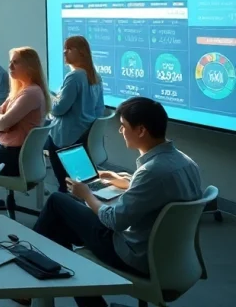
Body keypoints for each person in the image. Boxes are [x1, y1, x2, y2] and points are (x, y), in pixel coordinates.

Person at [29, 97, 201, 307]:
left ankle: (30, 278)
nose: (120, 132)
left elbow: (113, 220)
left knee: (57, 201)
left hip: (135, 255)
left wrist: (86, 195)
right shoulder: (186, 162)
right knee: (59, 231)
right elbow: (163, 195)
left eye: (123, 126)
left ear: (141, 130)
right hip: (170, 256)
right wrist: (125, 182)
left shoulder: (150, 172)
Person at [47, 35, 106, 192]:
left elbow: (59, 109)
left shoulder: (74, 76)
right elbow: (99, 109)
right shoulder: (96, 76)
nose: (64, 52)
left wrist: (50, 101)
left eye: (69, 49)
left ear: (81, 52)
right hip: (84, 134)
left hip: (67, 137)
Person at [0, 47, 50, 176]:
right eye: (10, 62)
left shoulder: (30, 93)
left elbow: (0, 124)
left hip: (13, 156)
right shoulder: (21, 90)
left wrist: (1, 123)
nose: (10, 66)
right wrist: (1, 122)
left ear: (29, 66)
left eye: (15, 62)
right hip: (10, 149)